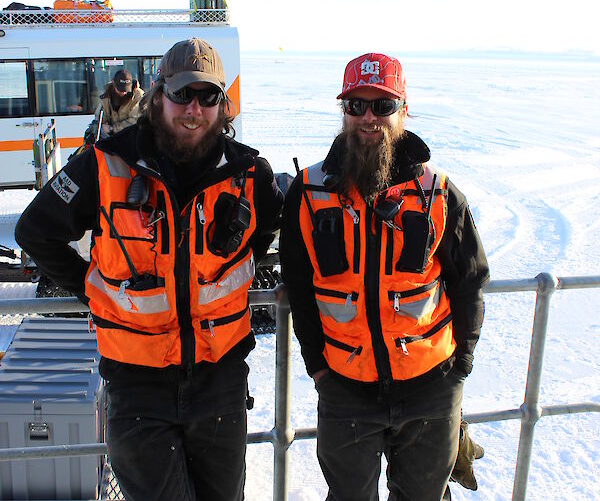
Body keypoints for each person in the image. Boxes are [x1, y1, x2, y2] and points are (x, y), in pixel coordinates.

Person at [15, 38, 283, 501]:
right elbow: (36, 232)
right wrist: (91, 287)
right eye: (182, 94)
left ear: (223, 105)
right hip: (137, 383)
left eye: (208, 96)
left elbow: (270, 233)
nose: (193, 109)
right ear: (158, 95)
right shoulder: (105, 163)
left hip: (219, 381)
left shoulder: (250, 174)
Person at [279, 52, 489, 501]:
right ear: (344, 113)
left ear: (403, 111)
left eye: (382, 106)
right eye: (356, 106)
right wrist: (319, 368)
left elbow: (470, 281)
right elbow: (298, 285)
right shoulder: (309, 192)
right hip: (345, 390)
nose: (368, 118)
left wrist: (459, 369)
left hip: (431, 387)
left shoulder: (438, 194)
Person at [94, 69, 144, 136]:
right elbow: (99, 118)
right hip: (112, 138)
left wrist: (112, 128)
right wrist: (97, 127)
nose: (123, 93)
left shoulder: (138, 96)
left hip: (132, 137)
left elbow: (134, 121)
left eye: (126, 90)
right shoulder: (106, 96)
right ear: (113, 84)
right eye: (120, 90)